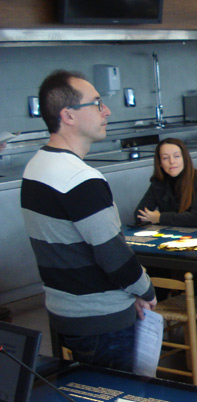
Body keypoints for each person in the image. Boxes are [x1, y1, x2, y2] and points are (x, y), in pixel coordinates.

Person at [20, 70, 155, 370]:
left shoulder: (36, 166)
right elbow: (113, 254)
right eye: (96, 103)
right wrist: (145, 290)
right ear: (68, 115)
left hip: (64, 311)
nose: (106, 110)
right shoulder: (80, 178)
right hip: (101, 320)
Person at [135, 138, 197, 229]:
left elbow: (196, 218)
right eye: (165, 158)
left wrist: (160, 218)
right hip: (171, 234)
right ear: (160, 163)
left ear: (184, 159)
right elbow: (139, 214)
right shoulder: (158, 182)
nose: (172, 162)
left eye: (176, 156)